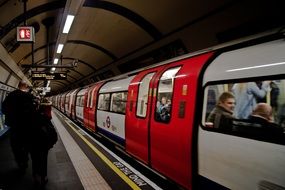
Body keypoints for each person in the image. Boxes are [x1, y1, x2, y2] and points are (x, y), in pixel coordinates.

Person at [2, 80, 49, 187]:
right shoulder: (29, 97)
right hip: (30, 129)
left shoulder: (10, 96)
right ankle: (36, 175)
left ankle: (22, 164)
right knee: (35, 153)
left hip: (14, 129)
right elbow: (35, 112)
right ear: (26, 87)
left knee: (17, 148)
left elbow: (4, 109)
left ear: (18, 86)